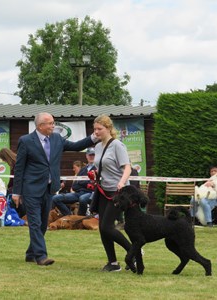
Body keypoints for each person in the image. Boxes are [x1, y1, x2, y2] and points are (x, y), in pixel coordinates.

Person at [12, 112, 97, 266]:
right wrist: (16, 192)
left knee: (44, 223)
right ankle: (41, 256)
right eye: (50, 123)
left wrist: (94, 138)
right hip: (30, 188)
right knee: (35, 223)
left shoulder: (57, 138)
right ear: (40, 126)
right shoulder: (25, 141)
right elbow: (19, 168)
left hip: (49, 188)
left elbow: (76, 146)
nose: (53, 126)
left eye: (53, 123)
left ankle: (31, 253)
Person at [92, 114, 132, 272]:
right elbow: (101, 165)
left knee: (108, 227)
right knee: (102, 228)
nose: (96, 132)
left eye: (99, 129)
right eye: (94, 129)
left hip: (119, 192)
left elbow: (127, 167)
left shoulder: (117, 145)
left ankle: (133, 251)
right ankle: (113, 263)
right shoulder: (97, 146)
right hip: (103, 190)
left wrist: (121, 182)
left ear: (108, 129)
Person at [52, 148, 97, 216]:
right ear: (86, 156)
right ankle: (69, 216)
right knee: (55, 198)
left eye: (93, 155)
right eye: (90, 155)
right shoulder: (83, 169)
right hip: (78, 193)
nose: (91, 157)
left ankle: (80, 218)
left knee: (82, 199)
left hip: (91, 193)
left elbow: (94, 185)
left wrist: (81, 183)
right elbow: (74, 186)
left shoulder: (98, 168)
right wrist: (87, 183)